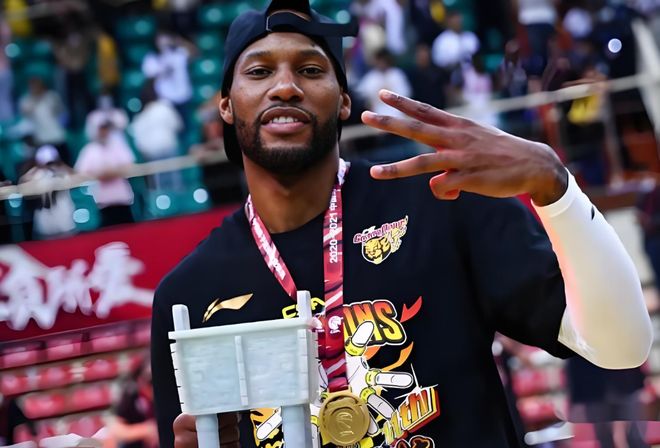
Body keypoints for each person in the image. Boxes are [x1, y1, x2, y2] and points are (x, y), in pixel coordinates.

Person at [150, 1, 652, 448]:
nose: (285, 86)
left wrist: (556, 188)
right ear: (226, 105)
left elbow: (621, 347)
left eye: (310, 69)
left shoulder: (443, 201)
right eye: (259, 71)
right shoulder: (188, 294)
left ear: (343, 100)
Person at [74, 121, 136, 228]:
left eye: (106, 129)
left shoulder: (118, 146)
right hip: (103, 201)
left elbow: (129, 165)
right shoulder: (89, 150)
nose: (104, 132)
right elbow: (80, 172)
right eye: (101, 129)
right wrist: (101, 174)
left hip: (122, 198)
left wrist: (110, 173)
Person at [18, 145, 76, 239]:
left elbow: (76, 177)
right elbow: (22, 186)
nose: (49, 166)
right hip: (44, 218)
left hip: (63, 216)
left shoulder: (63, 172)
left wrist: (61, 167)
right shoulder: (36, 175)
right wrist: (35, 169)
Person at [107, 358, 159, 448]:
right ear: (139, 380)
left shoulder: (170, 396)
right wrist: (146, 429)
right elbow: (116, 430)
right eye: (150, 382)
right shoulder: (131, 395)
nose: (154, 387)